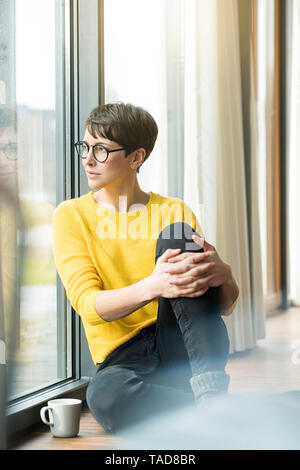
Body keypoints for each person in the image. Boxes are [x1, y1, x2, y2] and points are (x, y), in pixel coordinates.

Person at [52, 102, 239, 436]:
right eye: (85, 147)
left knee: (177, 235)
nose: (87, 160)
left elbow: (220, 307)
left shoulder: (173, 211)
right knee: (105, 396)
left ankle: (209, 396)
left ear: (136, 158)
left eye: (101, 150)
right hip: (123, 358)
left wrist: (225, 276)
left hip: (182, 340)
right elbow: (89, 306)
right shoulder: (71, 216)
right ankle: (215, 411)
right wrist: (154, 285)